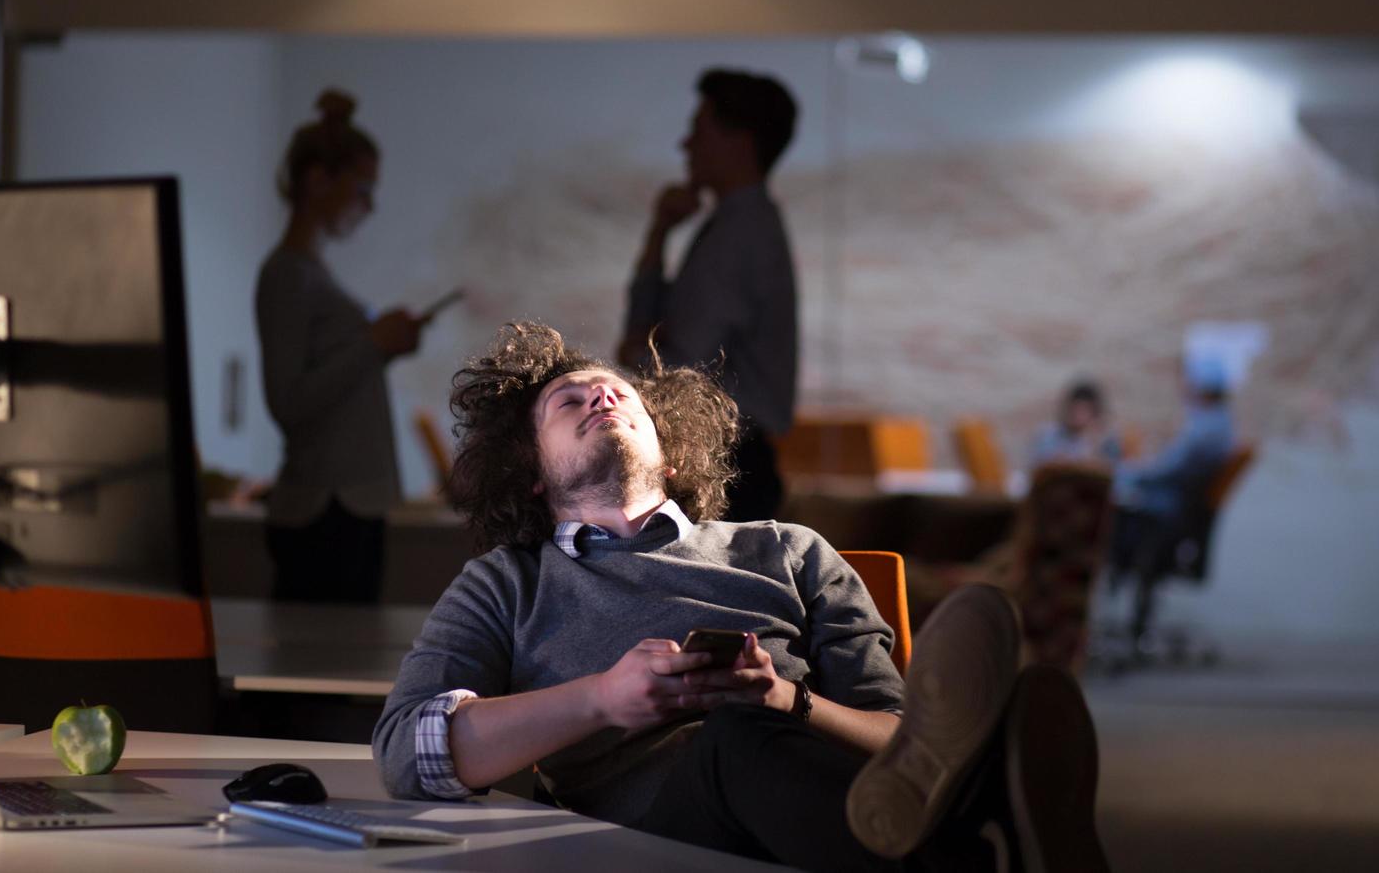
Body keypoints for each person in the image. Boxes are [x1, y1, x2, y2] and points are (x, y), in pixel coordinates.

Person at [373, 322, 1108, 872]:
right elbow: (408, 749)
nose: (602, 392)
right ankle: (984, 815)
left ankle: (955, 819)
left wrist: (788, 701)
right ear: (531, 471)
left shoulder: (788, 549)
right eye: (571, 401)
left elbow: (897, 739)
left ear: (667, 439)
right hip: (652, 834)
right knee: (733, 738)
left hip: (816, 794)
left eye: (620, 392)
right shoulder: (508, 582)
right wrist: (601, 699)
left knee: (765, 727)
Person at [255, 89, 427, 603]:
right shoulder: (288, 274)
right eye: (363, 188)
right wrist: (373, 345)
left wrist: (380, 345)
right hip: (325, 510)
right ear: (317, 180)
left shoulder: (308, 274)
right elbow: (288, 403)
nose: (369, 205)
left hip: (340, 506)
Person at [620, 68, 798, 523]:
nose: (686, 145)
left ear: (738, 141)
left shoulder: (738, 236)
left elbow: (676, 368)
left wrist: (637, 350)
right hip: (735, 458)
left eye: (699, 131)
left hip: (727, 462)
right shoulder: (745, 226)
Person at [1108, 356, 1236, 642]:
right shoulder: (1218, 423)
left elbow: (1165, 471)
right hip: (1175, 513)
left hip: (1165, 518)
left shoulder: (1205, 429)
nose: (1182, 386)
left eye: (1188, 379)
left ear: (1202, 385)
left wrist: (1122, 473)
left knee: (1112, 517)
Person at [1029, 378, 1122, 469]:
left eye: (1084, 411)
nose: (1078, 416)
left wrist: (1093, 444)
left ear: (1095, 414)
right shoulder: (1048, 436)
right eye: (1075, 409)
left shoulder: (1106, 441)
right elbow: (1038, 466)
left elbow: (1112, 470)